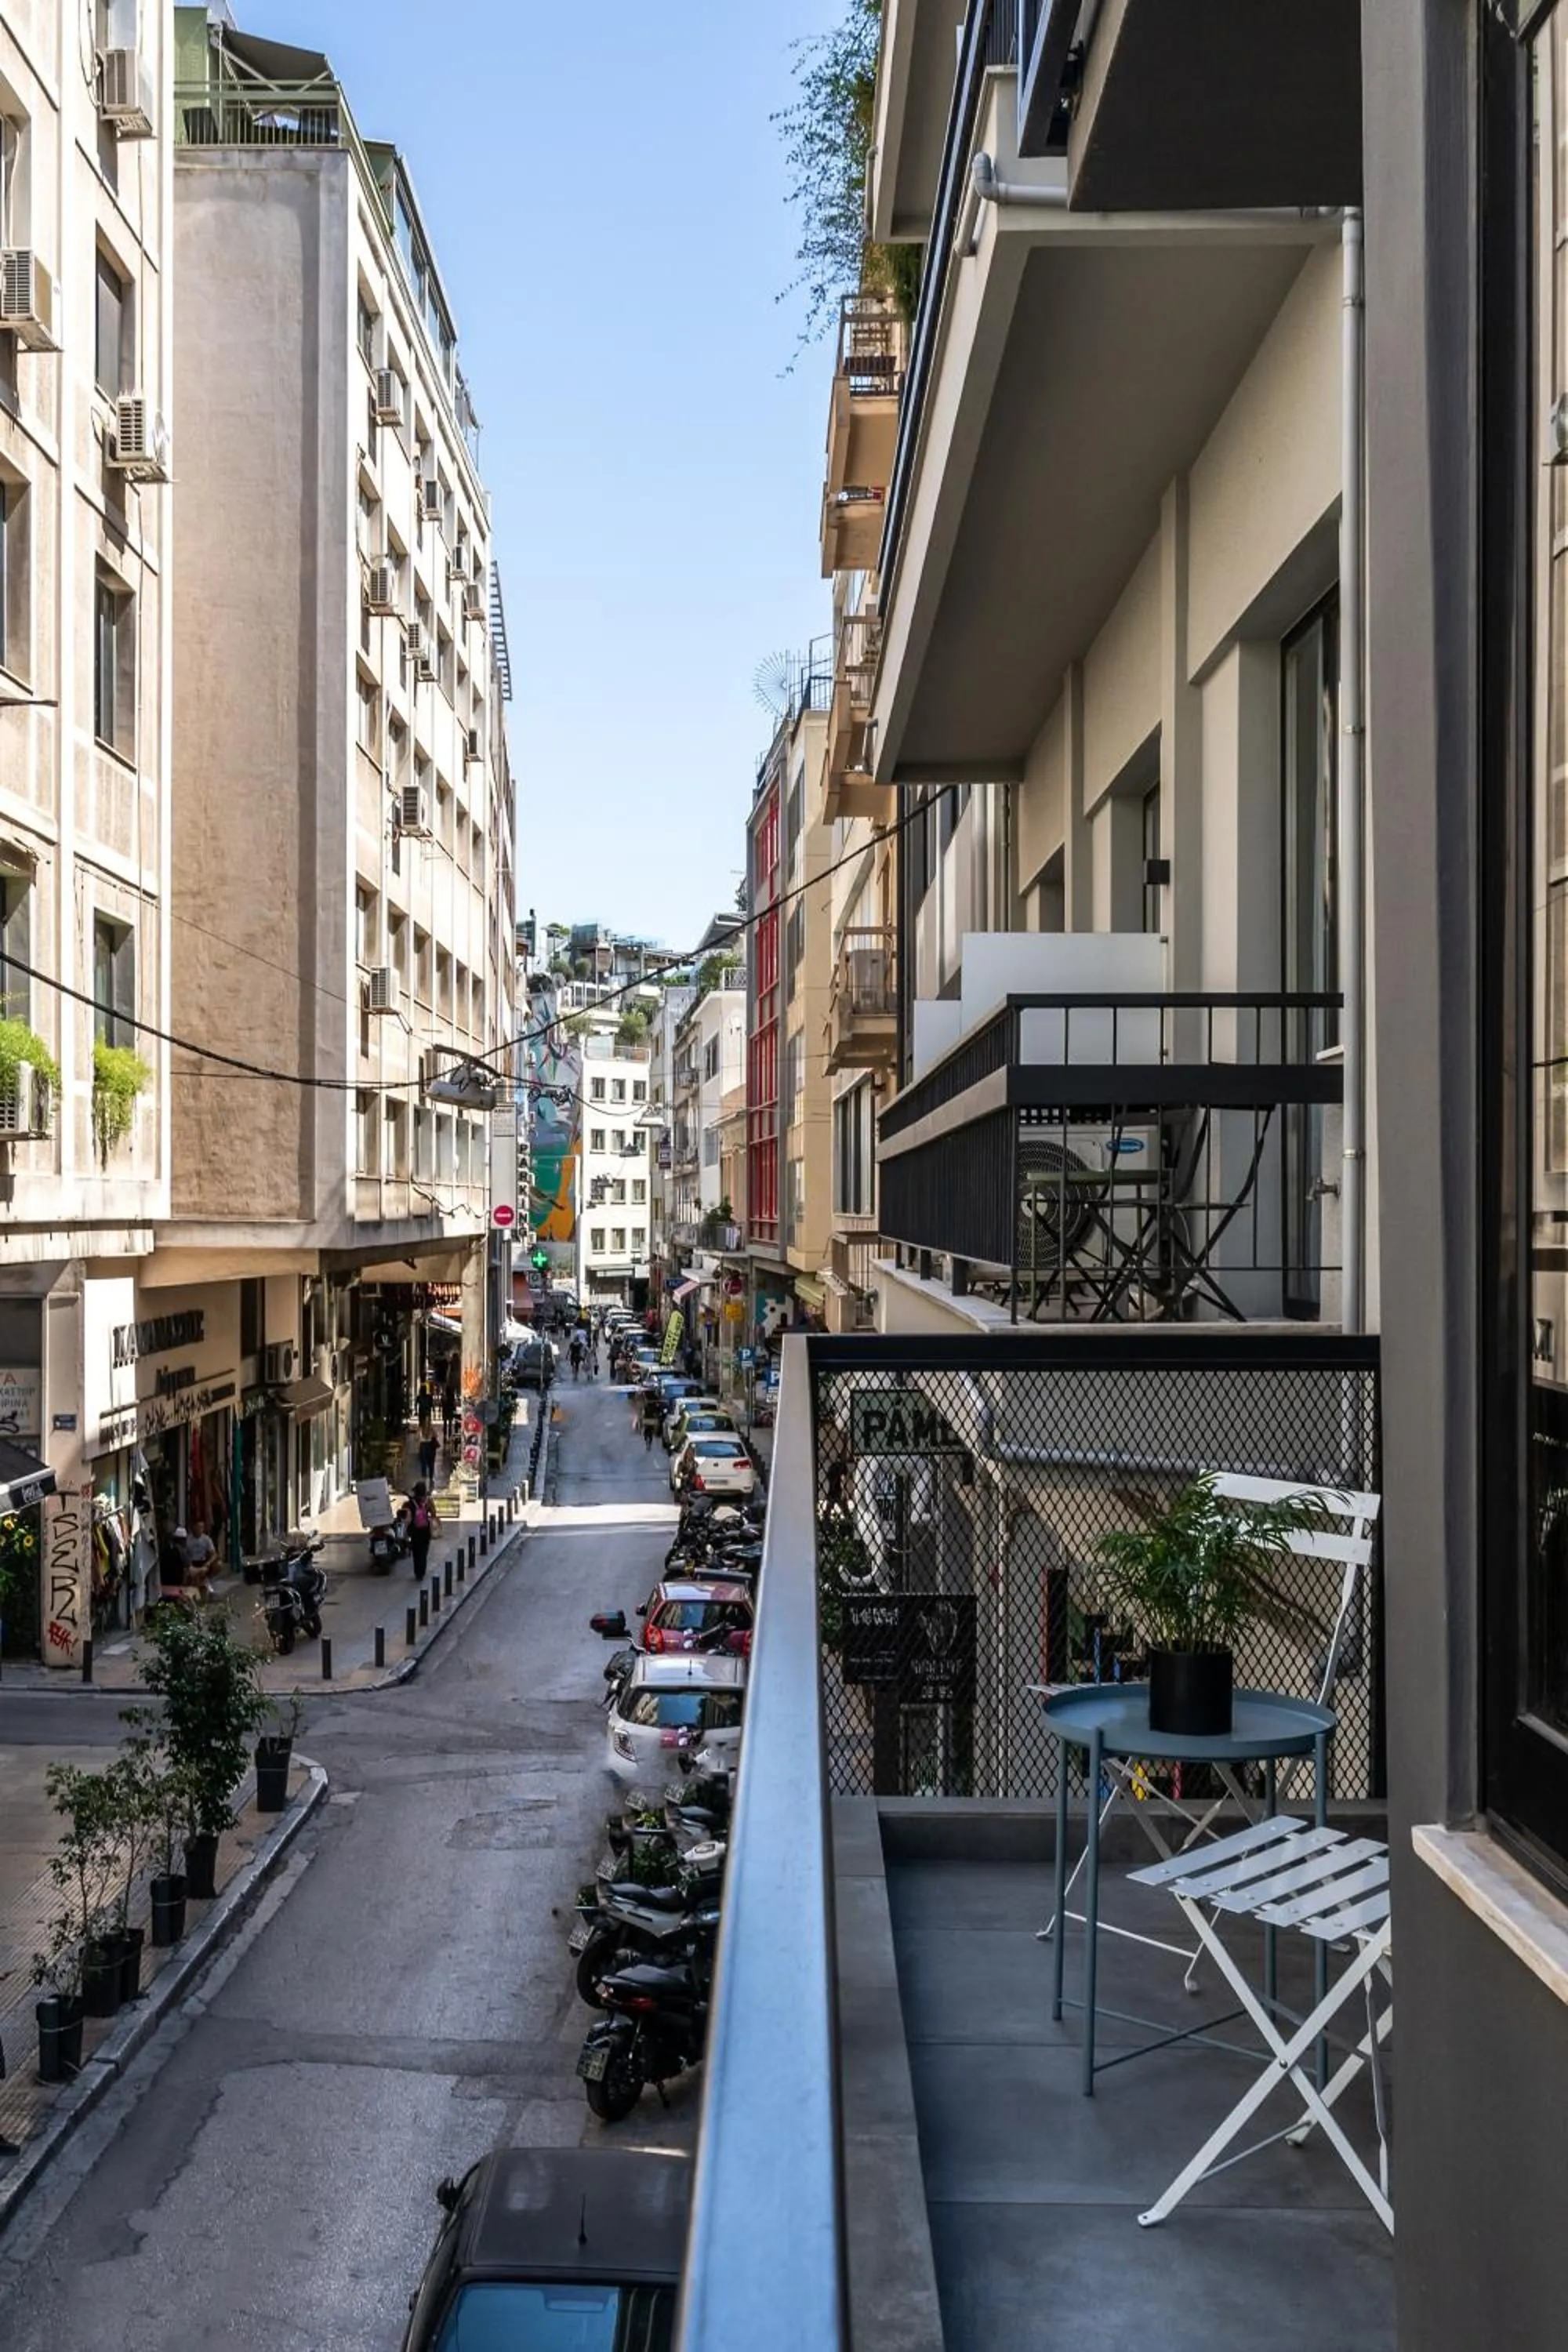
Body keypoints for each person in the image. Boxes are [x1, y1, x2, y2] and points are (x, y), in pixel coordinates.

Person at [407, 1483, 435, 1581]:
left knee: (416, 1552)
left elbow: (408, 1517)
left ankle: (417, 1572)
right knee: (424, 1552)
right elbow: (434, 1513)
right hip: (425, 1531)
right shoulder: (428, 1501)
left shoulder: (411, 1502)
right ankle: (422, 1572)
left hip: (415, 1531)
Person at [641, 1387, 663, 1453]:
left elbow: (658, 1407)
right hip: (649, 1417)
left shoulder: (649, 1398)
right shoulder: (649, 1398)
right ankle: (648, 1441)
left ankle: (648, 1442)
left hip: (650, 1417)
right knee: (648, 1430)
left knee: (648, 1430)